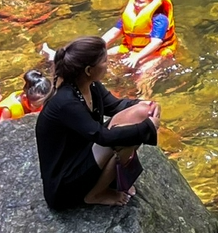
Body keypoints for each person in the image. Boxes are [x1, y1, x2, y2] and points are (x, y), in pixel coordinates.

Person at [35, 36, 160, 209]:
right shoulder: (66, 102)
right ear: (88, 70)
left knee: (141, 113)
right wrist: (147, 129)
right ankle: (94, 194)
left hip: (84, 156)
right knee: (126, 136)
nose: (108, 64)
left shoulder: (91, 86)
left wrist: (148, 106)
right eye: (104, 61)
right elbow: (103, 137)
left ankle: (112, 178)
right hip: (64, 185)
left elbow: (116, 105)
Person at [102, 0, 178, 91]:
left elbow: (156, 42)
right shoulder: (131, 15)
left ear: (153, 3)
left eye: (141, 2)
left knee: (142, 73)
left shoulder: (160, 19)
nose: (136, 4)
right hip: (131, 49)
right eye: (135, 1)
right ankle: (117, 87)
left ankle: (143, 98)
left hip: (157, 53)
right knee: (102, 58)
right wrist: (96, 46)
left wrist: (137, 57)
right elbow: (114, 32)